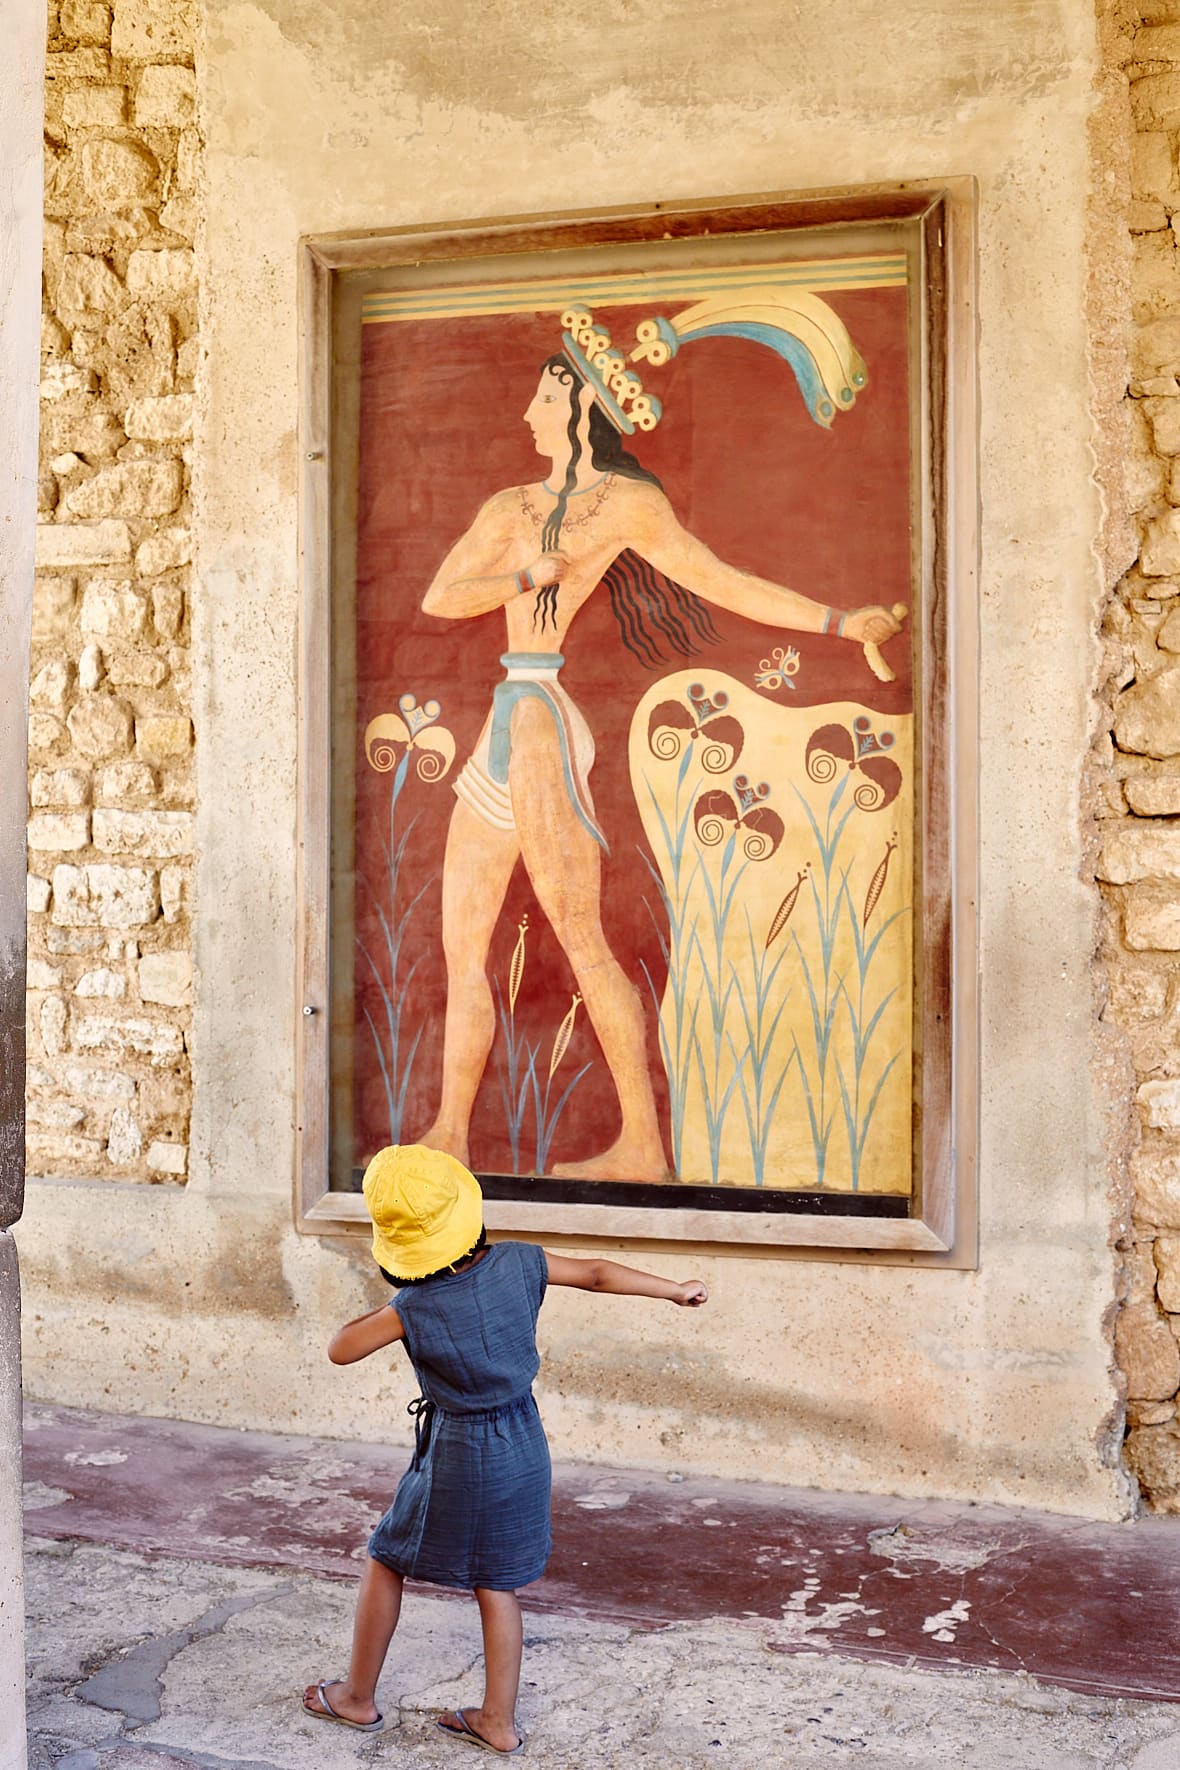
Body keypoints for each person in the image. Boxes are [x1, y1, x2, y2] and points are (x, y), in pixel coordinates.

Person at [417, 339, 906, 1186]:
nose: (527, 414)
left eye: (542, 399)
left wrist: (839, 622)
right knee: (462, 944)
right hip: (505, 714)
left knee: (578, 933)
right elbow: (440, 595)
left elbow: (720, 580)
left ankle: (643, 1142)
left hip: (540, 722)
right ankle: (449, 1138)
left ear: (578, 407)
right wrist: (523, 573)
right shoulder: (509, 507)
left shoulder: (628, 505)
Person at [301, 1142, 708, 1754]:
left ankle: (356, 1697)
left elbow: (340, 1347)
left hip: (459, 1453)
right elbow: (597, 1272)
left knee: (387, 1556)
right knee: (497, 1581)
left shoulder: (413, 1306)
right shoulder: (521, 1261)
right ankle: (498, 1720)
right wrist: (673, 1288)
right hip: (522, 1438)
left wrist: (401, 1299)